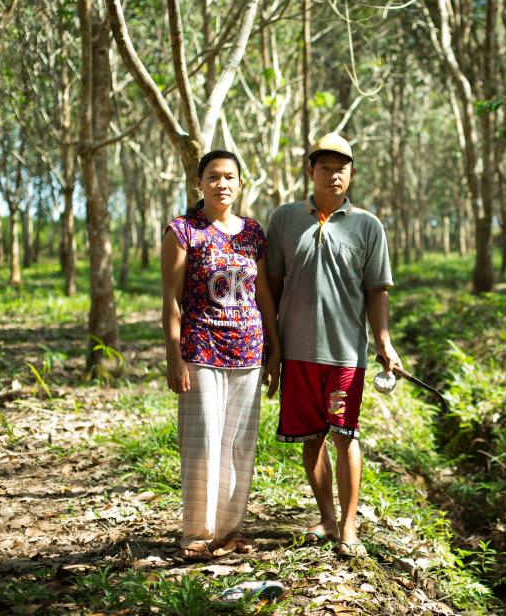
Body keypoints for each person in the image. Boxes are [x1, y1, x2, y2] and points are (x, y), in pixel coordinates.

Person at [266, 133, 402, 558]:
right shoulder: (285, 220)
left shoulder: (368, 226)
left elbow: (377, 290)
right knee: (312, 439)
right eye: (325, 167)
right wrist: (272, 346)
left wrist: (384, 342)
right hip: (297, 352)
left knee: (345, 435)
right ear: (311, 171)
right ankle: (326, 518)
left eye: (341, 169)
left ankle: (348, 527)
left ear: (352, 174)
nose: (333, 175)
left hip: (345, 352)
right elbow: (271, 285)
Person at [161, 150, 282, 561]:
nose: (222, 184)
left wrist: (275, 349)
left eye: (229, 176)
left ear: (240, 183)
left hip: (248, 350)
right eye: (213, 176)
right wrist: (173, 356)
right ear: (199, 183)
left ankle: (229, 532)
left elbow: (263, 296)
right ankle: (197, 535)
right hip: (201, 348)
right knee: (203, 442)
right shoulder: (183, 231)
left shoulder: (253, 233)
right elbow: (170, 299)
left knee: (238, 445)